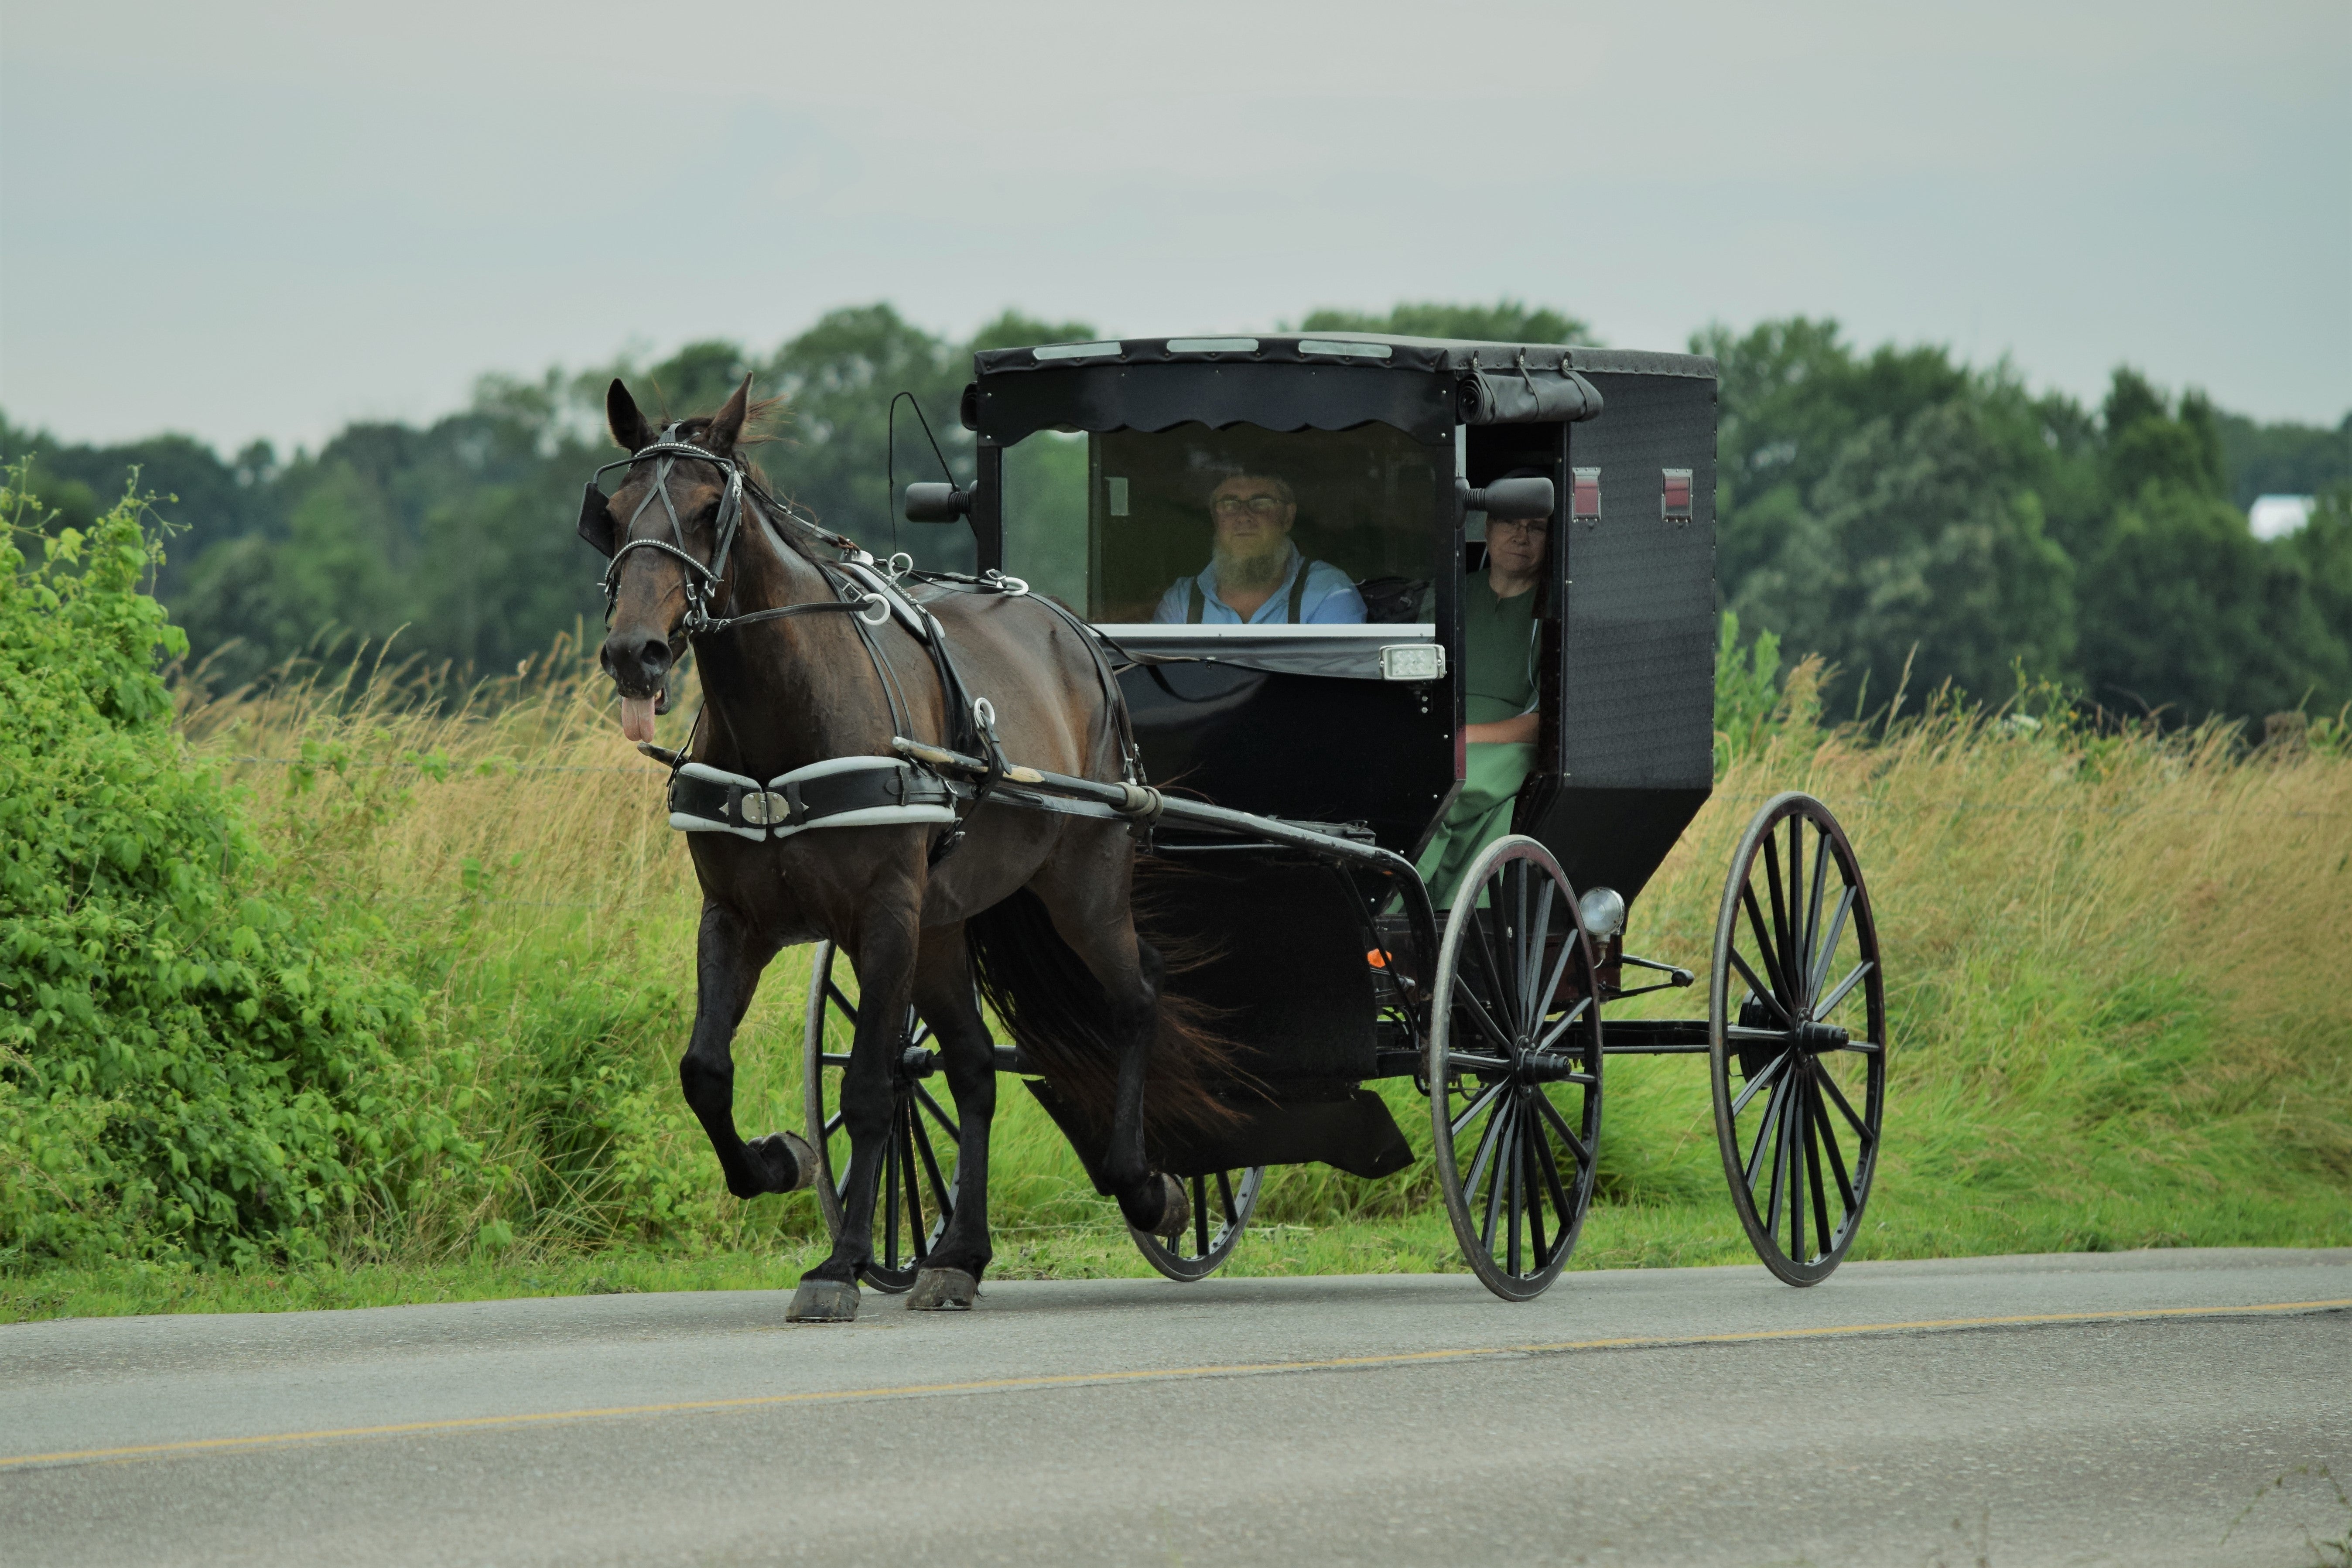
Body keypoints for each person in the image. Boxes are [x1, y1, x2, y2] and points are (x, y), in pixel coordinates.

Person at [1414, 496, 1548, 908]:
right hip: (1439, 729)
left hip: (1508, 744)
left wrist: (1466, 735)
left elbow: (1544, 720)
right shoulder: (1449, 596)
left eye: (1536, 527)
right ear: (1486, 529)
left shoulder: (1553, 610)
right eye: (1509, 522)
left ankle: (1406, 908)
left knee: (1440, 789)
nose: (1520, 536)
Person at [1151, 471, 1366, 624]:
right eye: (1229, 504)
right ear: (1215, 519)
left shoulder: (1328, 593)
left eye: (1261, 503)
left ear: (1288, 517)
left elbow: (1331, 687)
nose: (1244, 516)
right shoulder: (1183, 601)